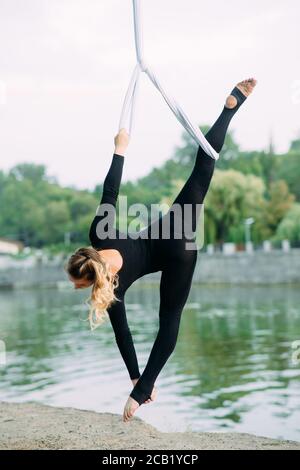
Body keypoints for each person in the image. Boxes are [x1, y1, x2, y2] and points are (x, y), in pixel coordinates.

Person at [67, 78, 257, 422]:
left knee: (169, 321)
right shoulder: (98, 234)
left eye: (78, 284)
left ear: (90, 279)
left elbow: (123, 336)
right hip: (170, 231)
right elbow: (111, 190)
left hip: (179, 252)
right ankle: (229, 109)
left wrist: (139, 382)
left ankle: (143, 394)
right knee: (202, 170)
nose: (77, 288)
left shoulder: (110, 289)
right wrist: (120, 148)